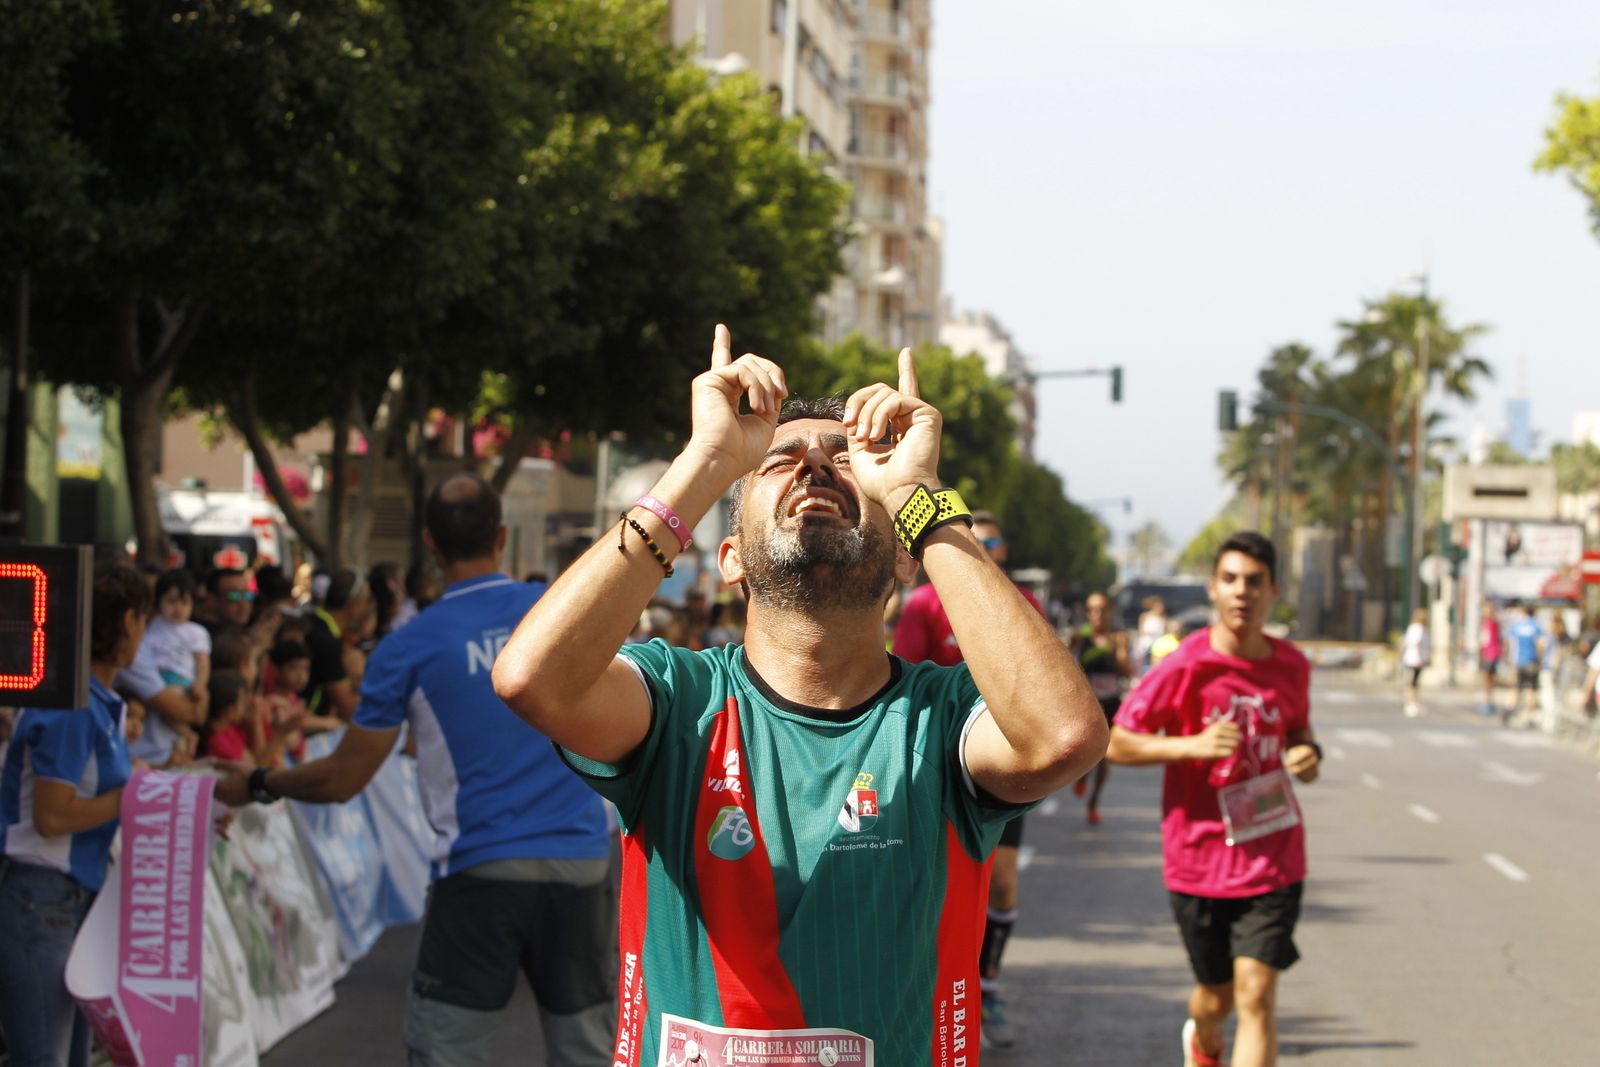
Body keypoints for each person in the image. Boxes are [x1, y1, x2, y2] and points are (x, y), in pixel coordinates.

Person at [492, 328, 1107, 1065]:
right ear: (730, 560)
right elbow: (533, 679)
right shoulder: (677, 700)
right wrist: (705, 463)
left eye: (850, 462)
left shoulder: (942, 722)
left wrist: (919, 493)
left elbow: (1065, 735)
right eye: (780, 460)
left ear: (905, 557)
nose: (817, 463)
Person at [217, 473, 615, 1067]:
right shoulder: (558, 612)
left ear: (430, 546)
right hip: (584, 865)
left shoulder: (407, 646)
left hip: (481, 870)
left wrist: (257, 781)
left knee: (446, 1055)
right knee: (587, 1053)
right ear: (502, 537)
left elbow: (342, 779)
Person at [1106, 532, 1321, 1067]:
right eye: (1230, 580)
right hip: (1198, 859)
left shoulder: (1292, 665)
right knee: (1216, 998)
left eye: (1254, 581)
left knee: (1256, 995)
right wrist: (1190, 746)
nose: (1241, 592)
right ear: (1214, 589)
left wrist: (1306, 752)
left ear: (1274, 590)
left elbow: (1299, 729)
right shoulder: (1185, 666)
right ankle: (1203, 1042)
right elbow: (1114, 741)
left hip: (1274, 854)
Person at [891, 508, 1048, 1049]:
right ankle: (937, 995)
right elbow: (901, 674)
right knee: (943, 889)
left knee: (1002, 881)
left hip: (1003, 761)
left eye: (995, 538)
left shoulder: (1020, 606)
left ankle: (989, 982)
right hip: (942, 765)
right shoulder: (927, 604)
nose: (986, 546)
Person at [0, 564, 146, 1066]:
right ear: (129, 623)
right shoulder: (73, 706)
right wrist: (135, 798)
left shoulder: (97, 701)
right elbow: (52, 817)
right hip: (42, 900)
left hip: (71, 902)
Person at [1072, 591, 1133, 826]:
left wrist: (1119, 650)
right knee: (1088, 750)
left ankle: (1094, 803)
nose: (1096, 615)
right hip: (1088, 703)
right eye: (1092, 610)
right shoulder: (1080, 636)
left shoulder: (1118, 637)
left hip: (1111, 702)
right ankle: (1083, 776)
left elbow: (1126, 672)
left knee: (1106, 756)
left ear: (1110, 611)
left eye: (1101, 609)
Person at [301, 569, 372, 722]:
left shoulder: (315, 622)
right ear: (354, 604)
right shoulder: (326, 640)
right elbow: (347, 708)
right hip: (307, 729)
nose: (367, 608)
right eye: (366, 601)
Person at [145, 568, 212, 714]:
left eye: (184, 602)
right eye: (171, 601)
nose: (178, 607)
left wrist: (200, 685)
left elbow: (202, 662)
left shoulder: (196, 632)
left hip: (181, 681)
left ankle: (185, 732)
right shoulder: (154, 624)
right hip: (152, 679)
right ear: (159, 602)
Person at [1503, 602, 1546, 728]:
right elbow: (1540, 644)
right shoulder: (1535, 626)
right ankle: (1527, 715)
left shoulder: (1517, 625)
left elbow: (1509, 642)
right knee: (1532, 689)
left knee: (1516, 687)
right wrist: (1541, 658)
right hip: (1531, 660)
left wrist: (1508, 659)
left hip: (1518, 661)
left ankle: (1509, 707)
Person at [1399, 608, 1430, 717]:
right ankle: (1412, 703)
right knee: (1413, 683)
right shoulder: (1419, 629)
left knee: (1412, 682)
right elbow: (1418, 644)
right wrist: (1420, 658)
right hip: (1415, 660)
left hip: (1410, 659)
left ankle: (1413, 702)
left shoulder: (1412, 628)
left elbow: (1405, 643)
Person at [1478, 602, 1502, 717]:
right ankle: (1487, 701)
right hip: (1487, 653)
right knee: (1487, 679)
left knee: (1489, 679)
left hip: (1491, 654)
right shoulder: (1486, 624)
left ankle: (1489, 702)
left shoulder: (1492, 624)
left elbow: (1488, 639)